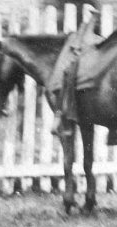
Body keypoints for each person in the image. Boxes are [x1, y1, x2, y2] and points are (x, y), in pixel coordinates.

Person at [48, 5, 99, 133]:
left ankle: (61, 114)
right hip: (83, 31)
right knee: (67, 70)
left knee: (68, 70)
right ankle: (62, 113)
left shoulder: (84, 32)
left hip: (88, 33)